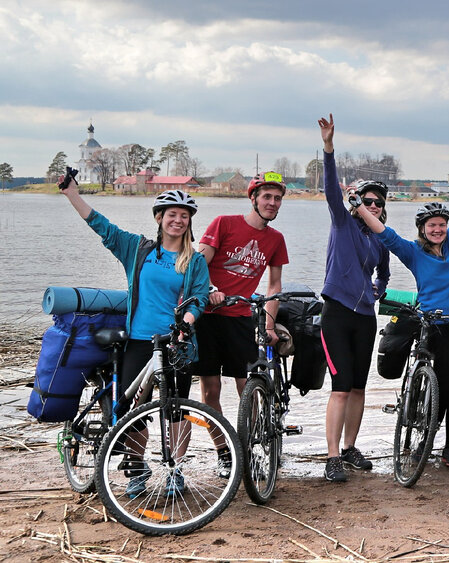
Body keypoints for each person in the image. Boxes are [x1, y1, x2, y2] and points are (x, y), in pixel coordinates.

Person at [62, 178, 209, 496]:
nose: (178, 220)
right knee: (131, 406)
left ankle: (175, 470)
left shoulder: (195, 261)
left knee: (176, 409)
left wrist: (186, 322)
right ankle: (136, 469)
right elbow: (104, 227)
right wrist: (73, 195)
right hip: (140, 341)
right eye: (172, 214)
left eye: (184, 215)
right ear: (159, 217)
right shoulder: (138, 249)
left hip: (176, 343)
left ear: (189, 222)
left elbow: (198, 298)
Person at [355, 151, 449, 469]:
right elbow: (384, 235)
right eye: (432, 225)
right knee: (440, 387)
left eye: (441, 224)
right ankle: (424, 443)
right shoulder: (413, 252)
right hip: (437, 325)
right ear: (422, 228)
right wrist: (360, 208)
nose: (438, 229)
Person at [316, 114, 391, 483]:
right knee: (341, 388)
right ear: (357, 201)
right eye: (367, 200)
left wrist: (382, 288)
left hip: (365, 317)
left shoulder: (380, 238)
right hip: (336, 314)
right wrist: (329, 147)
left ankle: (349, 448)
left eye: (378, 202)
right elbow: (331, 189)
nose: (373, 205)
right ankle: (331, 457)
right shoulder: (342, 222)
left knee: (360, 387)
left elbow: (385, 271)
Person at [195, 172, 288, 429]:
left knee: (246, 383)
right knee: (210, 389)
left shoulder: (276, 239)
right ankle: (225, 451)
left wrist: (269, 325)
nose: (272, 203)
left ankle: (254, 440)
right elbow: (199, 265)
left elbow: (274, 284)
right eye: (267, 197)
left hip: (240, 317)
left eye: (278, 198)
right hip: (209, 316)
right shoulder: (223, 223)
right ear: (254, 199)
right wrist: (210, 289)